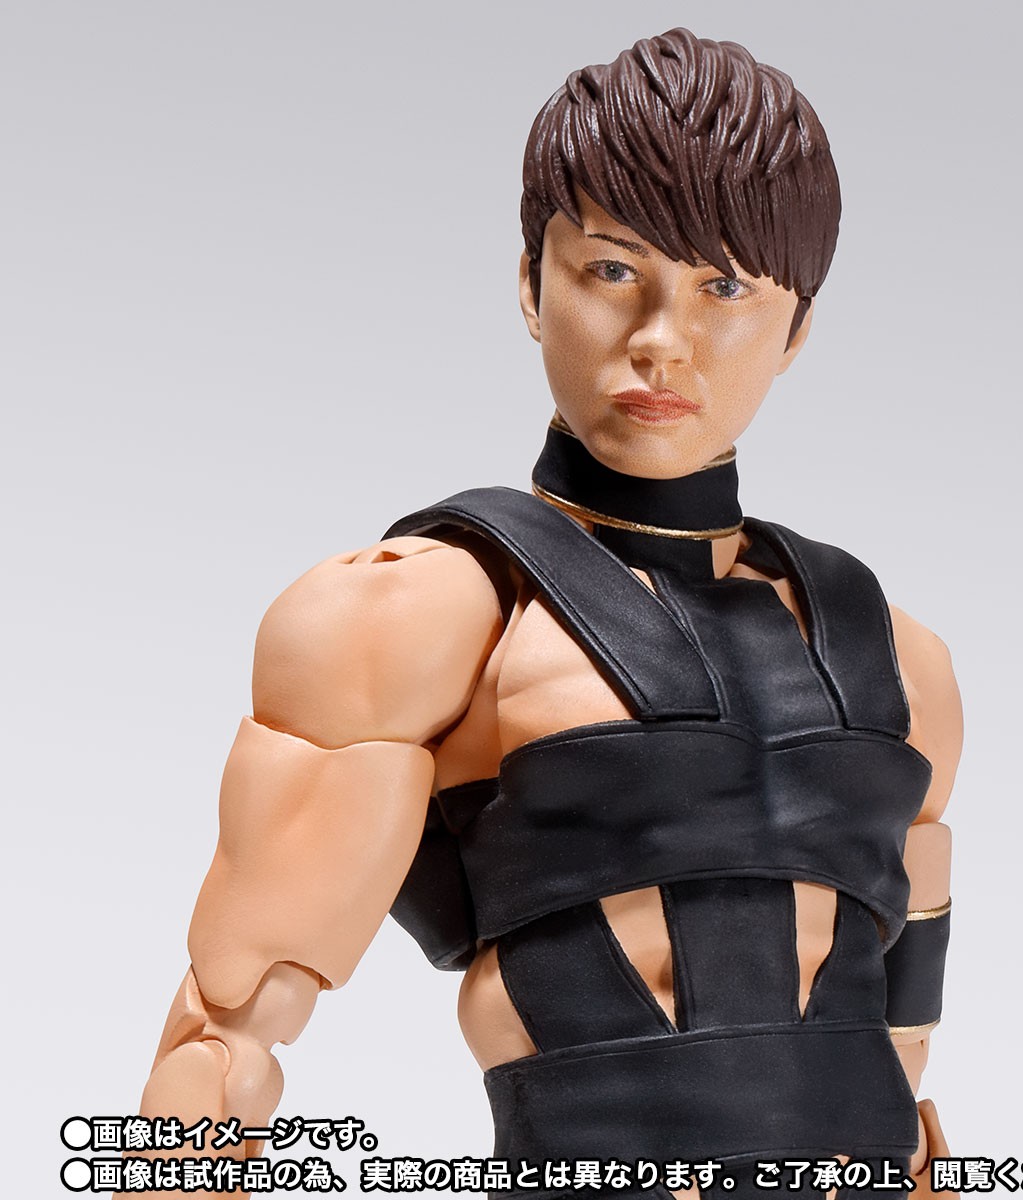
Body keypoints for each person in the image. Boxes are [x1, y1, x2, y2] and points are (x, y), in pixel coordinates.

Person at [136, 27, 962, 1199]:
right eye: (614, 271)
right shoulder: (421, 615)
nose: (662, 341)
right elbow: (226, 1035)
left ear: (795, 327)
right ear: (533, 285)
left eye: (726, 286)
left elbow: (904, 1043)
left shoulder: (895, 658)